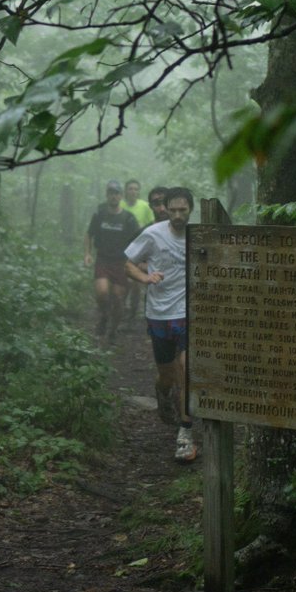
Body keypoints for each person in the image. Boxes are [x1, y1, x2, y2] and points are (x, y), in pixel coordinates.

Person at [124, 187, 196, 461]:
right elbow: (128, 264)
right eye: (173, 210)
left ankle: (186, 433)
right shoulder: (153, 234)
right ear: (165, 209)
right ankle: (162, 390)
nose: (178, 215)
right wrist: (145, 278)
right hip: (159, 314)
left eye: (183, 210)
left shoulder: (198, 235)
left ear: (190, 209)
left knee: (185, 368)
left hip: (187, 313)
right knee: (168, 375)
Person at [84, 180, 141, 343]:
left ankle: (113, 330)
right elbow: (89, 234)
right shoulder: (99, 214)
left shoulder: (129, 218)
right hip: (103, 259)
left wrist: (134, 265)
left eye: (116, 193)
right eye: (111, 193)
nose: (114, 196)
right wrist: (87, 253)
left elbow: (138, 241)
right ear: (107, 195)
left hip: (121, 262)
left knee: (118, 297)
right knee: (102, 292)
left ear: (121, 196)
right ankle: (103, 316)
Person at [122, 179, 155, 318]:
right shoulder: (120, 205)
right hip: (122, 247)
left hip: (140, 248)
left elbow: (152, 226)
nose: (133, 191)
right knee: (123, 282)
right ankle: (120, 308)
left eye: (136, 189)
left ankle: (133, 312)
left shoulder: (145, 206)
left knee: (135, 284)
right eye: (130, 188)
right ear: (125, 191)